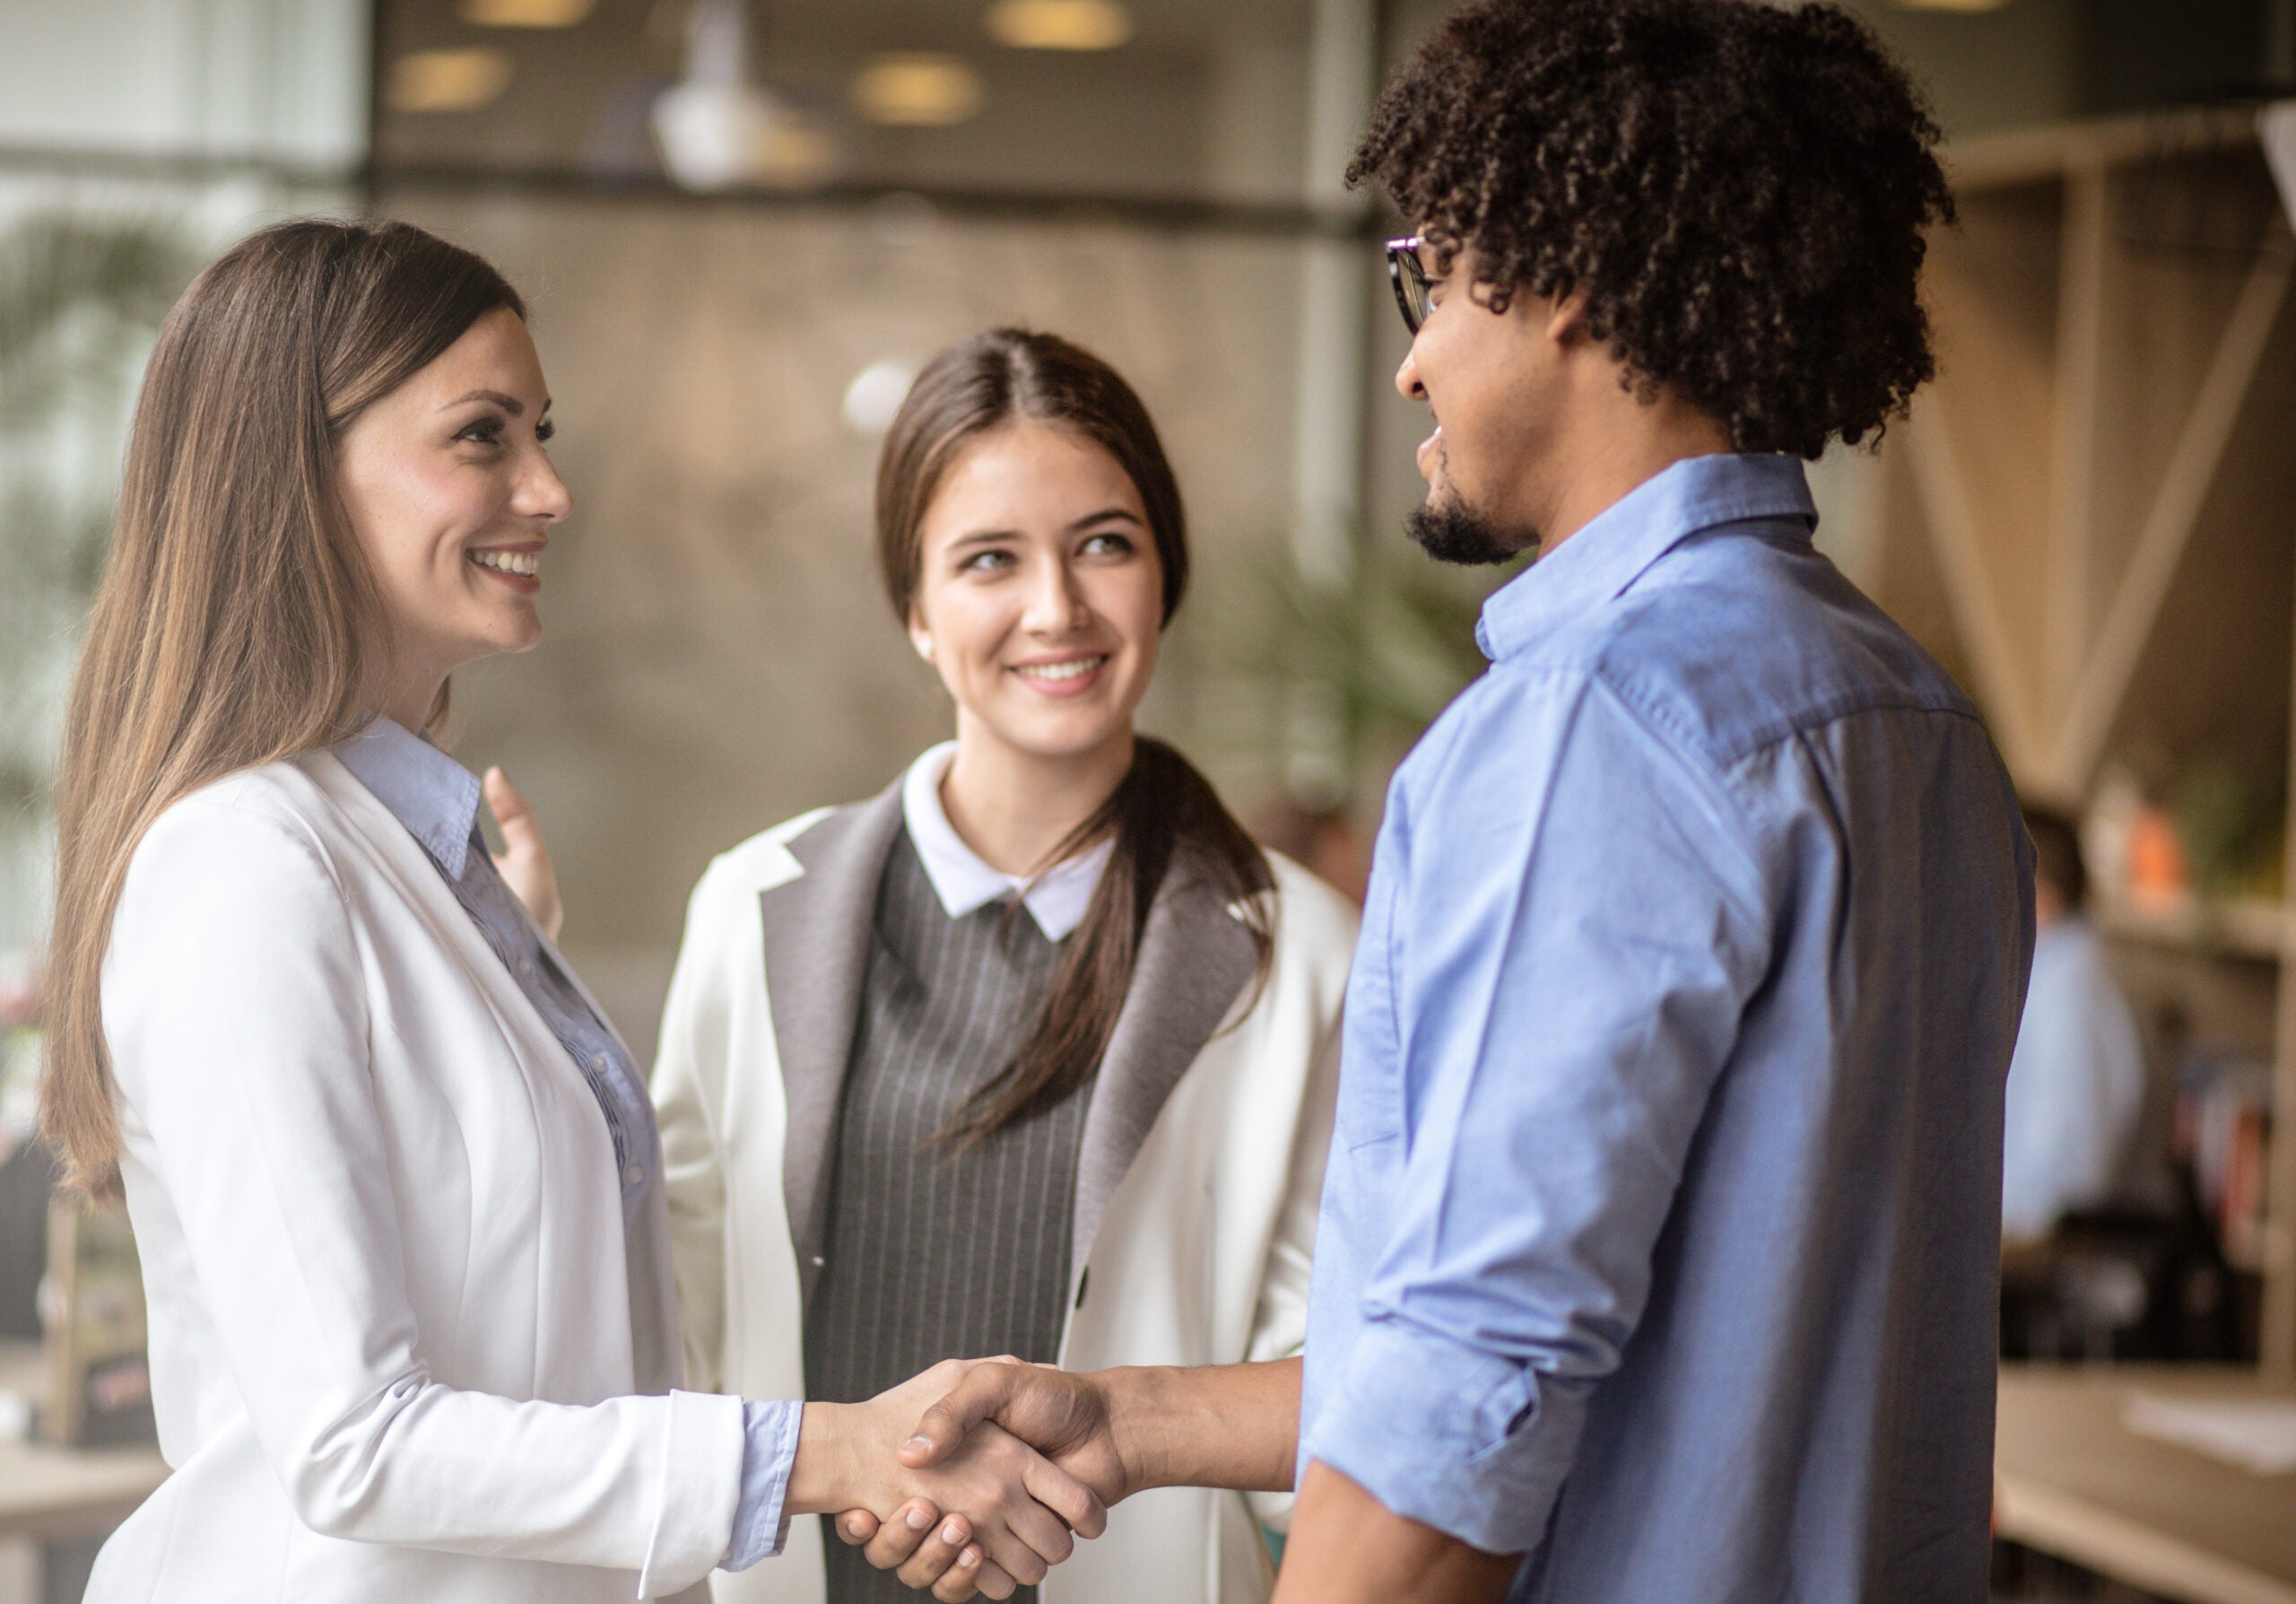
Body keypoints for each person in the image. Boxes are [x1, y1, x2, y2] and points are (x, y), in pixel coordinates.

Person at [859, 3, 2036, 1601]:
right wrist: (1121, 1415)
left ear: (1561, 278)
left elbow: (1464, 1401)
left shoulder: (1587, 731)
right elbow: (1656, 1332)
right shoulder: (1918, 718)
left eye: (1428, 275)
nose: (1409, 355)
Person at [39, 220, 1099, 1604]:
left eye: (540, 431)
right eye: (483, 435)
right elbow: (352, 1445)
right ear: (294, 470)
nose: (549, 489)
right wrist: (826, 1457)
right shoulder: (246, 867)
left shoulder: (425, 864)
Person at [649, 327, 1358, 1604]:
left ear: (1164, 576)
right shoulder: (750, 910)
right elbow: (678, 1324)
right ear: (916, 612)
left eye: (1105, 544)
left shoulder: (1298, 951)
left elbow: (1335, 1377)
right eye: (990, 560)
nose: (1058, 609)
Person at [2001, 806, 2146, 1240]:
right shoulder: (2059, 977)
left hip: (2065, 1282)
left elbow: (2060, 1188)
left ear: (2039, 893)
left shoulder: (2073, 993)